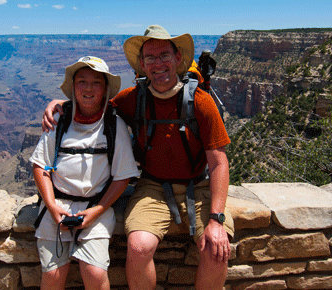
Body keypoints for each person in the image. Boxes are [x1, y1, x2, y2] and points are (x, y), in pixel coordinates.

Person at [42, 25, 234, 290]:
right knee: (139, 247)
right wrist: (60, 105)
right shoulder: (133, 99)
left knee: (215, 250)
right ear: (142, 64)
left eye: (164, 55)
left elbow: (219, 163)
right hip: (152, 186)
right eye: (150, 58)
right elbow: (94, 103)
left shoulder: (200, 102)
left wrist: (216, 219)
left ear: (178, 58)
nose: (158, 64)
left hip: (199, 186)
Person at [30, 56, 139, 290]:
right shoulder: (58, 120)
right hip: (56, 206)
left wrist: (96, 211)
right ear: (72, 87)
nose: (88, 88)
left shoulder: (114, 125)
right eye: (82, 81)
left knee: (95, 273)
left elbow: (123, 176)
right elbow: (40, 166)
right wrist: (51, 206)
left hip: (95, 209)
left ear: (106, 89)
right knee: (53, 276)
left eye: (96, 83)